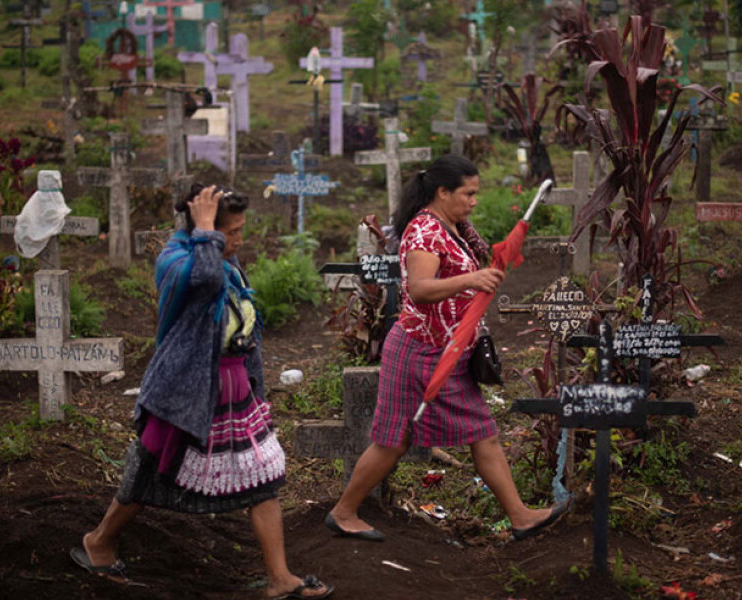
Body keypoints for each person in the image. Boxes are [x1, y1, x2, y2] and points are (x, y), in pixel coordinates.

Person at [72, 184, 333, 599]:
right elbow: (206, 282)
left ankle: (279, 578)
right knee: (150, 470)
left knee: (262, 479)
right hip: (183, 396)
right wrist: (208, 229)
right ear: (203, 228)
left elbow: (244, 330)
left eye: (238, 231)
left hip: (233, 395)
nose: (238, 240)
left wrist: (257, 391)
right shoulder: (177, 261)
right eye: (232, 232)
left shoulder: (228, 262)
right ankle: (99, 540)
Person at [325, 154, 569, 542]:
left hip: (444, 349)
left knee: (435, 436)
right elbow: (420, 289)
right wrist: (472, 278)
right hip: (421, 353)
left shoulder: (451, 226)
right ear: (442, 192)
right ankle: (344, 511)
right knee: (400, 439)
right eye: (468, 193)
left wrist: (485, 269)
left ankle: (519, 515)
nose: (474, 201)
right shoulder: (425, 232)